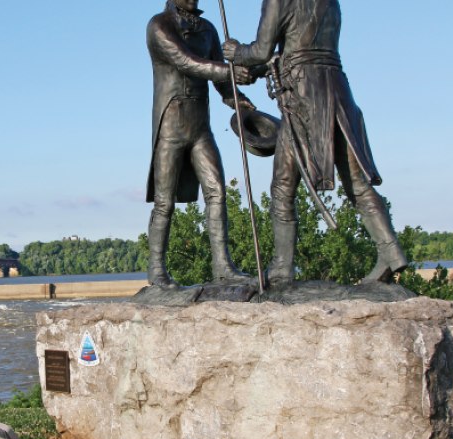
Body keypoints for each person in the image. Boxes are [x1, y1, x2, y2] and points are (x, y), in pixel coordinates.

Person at [222, 0, 407, 285]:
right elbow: (298, 47)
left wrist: (237, 53)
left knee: (283, 186)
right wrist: (259, 69)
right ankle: (391, 252)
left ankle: (283, 266)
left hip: (303, 99)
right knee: (357, 184)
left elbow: (261, 50)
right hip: (338, 92)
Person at [145, 0, 258, 286]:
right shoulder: (159, 25)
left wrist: (242, 105)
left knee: (217, 192)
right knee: (164, 202)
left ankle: (223, 266)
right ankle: (157, 270)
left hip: (200, 126)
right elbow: (187, 62)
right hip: (171, 123)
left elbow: (220, 80)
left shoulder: (207, 29)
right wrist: (228, 72)